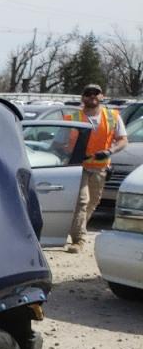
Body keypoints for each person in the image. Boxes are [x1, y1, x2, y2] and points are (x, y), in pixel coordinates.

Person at [63, 84, 128, 252]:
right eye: (88, 93)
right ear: (82, 97)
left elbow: (122, 140)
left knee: (92, 202)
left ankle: (77, 230)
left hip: (100, 168)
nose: (92, 96)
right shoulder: (72, 117)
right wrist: (73, 153)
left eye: (95, 93)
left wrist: (109, 151)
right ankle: (79, 240)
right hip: (79, 167)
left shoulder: (113, 116)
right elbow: (60, 143)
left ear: (102, 96)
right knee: (81, 202)